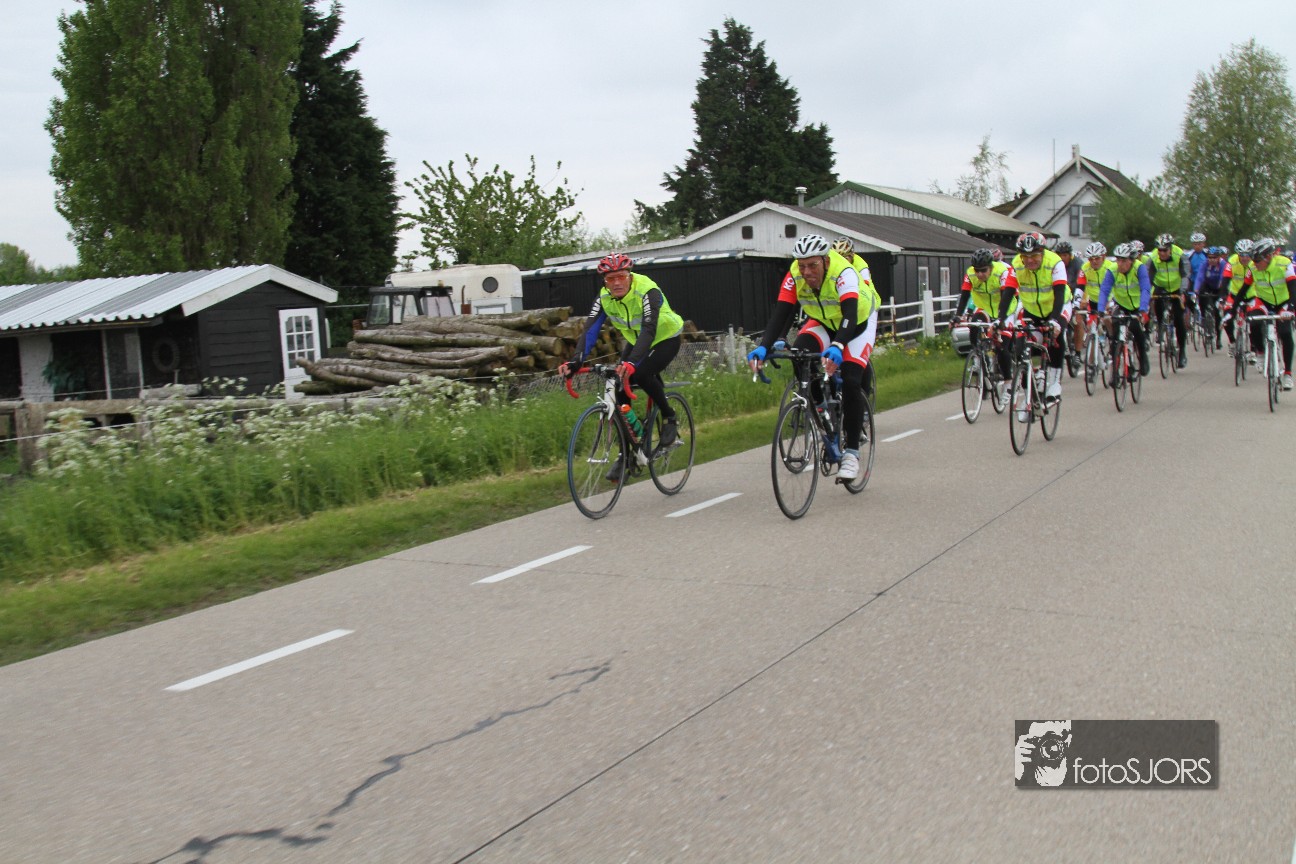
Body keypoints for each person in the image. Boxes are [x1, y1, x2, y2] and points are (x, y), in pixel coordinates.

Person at [747, 233, 879, 481]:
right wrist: (763, 347)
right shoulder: (794, 274)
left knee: (851, 380)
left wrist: (838, 345)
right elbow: (781, 312)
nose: (807, 272)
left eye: (812, 265)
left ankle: (851, 453)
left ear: (826, 261)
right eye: (802, 265)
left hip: (857, 323)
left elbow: (850, 314)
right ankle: (823, 412)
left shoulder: (844, 273)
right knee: (800, 354)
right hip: (823, 321)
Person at [559, 253, 683, 479]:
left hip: (665, 337)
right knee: (618, 381)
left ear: (630, 276)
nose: (616, 283)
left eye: (621, 277)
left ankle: (669, 417)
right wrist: (576, 361)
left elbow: (649, 329)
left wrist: (631, 362)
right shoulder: (604, 298)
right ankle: (627, 452)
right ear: (604, 281)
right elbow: (590, 330)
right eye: (610, 279)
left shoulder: (647, 290)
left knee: (642, 374)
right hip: (638, 341)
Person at [997, 231, 1069, 404]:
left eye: (1035, 255)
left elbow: (1059, 294)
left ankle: (1055, 381)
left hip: (1057, 306)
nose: (1030, 260)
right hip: (1032, 309)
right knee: (1021, 347)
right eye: (1025, 256)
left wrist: (1054, 320)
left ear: (1042, 252)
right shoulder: (1017, 264)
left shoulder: (1055, 263)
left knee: (1055, 335)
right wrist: (1000, 319)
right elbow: (1008, 293)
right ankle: (1030, 393)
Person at [951, 247, 1018, 406]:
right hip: (985, 309)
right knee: (974, 324)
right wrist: (958, 316)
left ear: (991, 267)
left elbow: (1006, 296)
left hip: (1006, 310)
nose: (980, 274)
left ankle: (1008, 384)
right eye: (977, 270)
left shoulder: (1002, 272)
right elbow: (965, 295)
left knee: (1001, 347)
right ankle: (979, 358)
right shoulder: (970, 274)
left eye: (983, 270)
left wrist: (1000, 320)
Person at [1236, 238, 1296, 389]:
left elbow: (1293, 289)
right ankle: (1261, 353)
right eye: (1253, 260)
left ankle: (1288, 374)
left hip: (1283, 302)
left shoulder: (1284, 264)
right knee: (1253, 322)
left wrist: (1290, 308)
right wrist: (1232, 309)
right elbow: (1243, 290)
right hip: (1263, 301)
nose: (1254, 263)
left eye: (1257, 260)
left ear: (1268, 257)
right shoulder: (1252, 268)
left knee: (1285, 333)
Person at [831, 237, 883, 403]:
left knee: (858, 355)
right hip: (845, 305)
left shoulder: (861, 266)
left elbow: (861, 294)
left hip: (867, 306)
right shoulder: (831, 266)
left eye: (844, 257)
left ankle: (864, 396)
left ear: (852, 256)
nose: (840, 260)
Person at [1097, 243, 1153, 377]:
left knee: (1136, 329)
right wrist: (1100, 309)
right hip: (1121, 304)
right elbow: (1104, 290)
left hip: (1138, 306)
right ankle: (1115, 370)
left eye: (1123, 261)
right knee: (1115, 335)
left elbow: (1145, 289)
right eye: (1118, 260)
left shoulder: (1139, 268)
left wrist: (1143, 309)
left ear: (1131, 260)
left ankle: (1143, 357)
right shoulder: (1112, 270)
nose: (1120, 264)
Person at [1146, 233, 1190, 368]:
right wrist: (1147, 294)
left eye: (1164, 250)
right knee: (1157, 306)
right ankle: (1161, 326)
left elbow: (1185, 275)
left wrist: (1182, 291)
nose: (1162, 253)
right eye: (1159, 250)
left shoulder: (1180, 255)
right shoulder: (1153, 258)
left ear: (1170, 248)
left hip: (1177, 288)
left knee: (1178, 320)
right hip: (1160, 287)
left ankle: (1182, 351)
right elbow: (1147, 277)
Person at [1074, 241, 1115, 355]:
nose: (1094, 261)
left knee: (1107, 319)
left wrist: (1111, 302)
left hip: (1109, 300)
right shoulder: (1085, 268)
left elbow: (1117, 287)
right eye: (1091, 259)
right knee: (1091, 328)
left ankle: (1113, 340)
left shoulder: (1111, 267)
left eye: (1097, 258)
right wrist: (1076, 304)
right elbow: (1080, 287)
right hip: (1093, 301)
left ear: (1104, 257)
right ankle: (1092, 360)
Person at [1193, 245, 1232, 349]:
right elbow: (1200, 277)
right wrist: (1196, 290)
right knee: (1202, 297)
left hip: (1219, 288)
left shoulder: (1223, 264)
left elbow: (1223, 278)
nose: (1212, 260)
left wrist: (1221, 292)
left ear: (1219, 257)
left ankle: (1218, 338)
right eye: (1210, 257)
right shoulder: (1204, 264)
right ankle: (1203, 317)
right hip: (1208, 286)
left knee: (1217, 312)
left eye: (1214, 257)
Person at [1221, 239, 1254, 354]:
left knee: (1254, 323)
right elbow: (1225, 280)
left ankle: (1254, 348)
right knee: (1226, 317)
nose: (1245, 258)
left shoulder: (1255, 263)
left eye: (1247, 255)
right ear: (1237, 254)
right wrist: (1222, 296)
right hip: (1234, 295)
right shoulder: (1232, 261)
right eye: (1242, 255)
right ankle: (1232, 342)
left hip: (1252, 296)